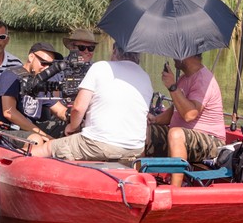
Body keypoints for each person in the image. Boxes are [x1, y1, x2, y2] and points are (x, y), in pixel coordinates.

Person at [31, 43, 152, 164]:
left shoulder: (100, 67)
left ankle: (18, 163)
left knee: (48, 147)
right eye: (81, 47)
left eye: (90, 48)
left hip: (98, 144)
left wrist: (72, 127)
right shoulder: (146, 77)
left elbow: (78, 109)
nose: (86, 51)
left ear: (114, 50)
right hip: (135, 150)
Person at [146, 52, 226, 186]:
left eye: (177, 52)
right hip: (184, 136)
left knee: (176, 134)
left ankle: (175, 191)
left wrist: (172, 86)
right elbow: (175, 110)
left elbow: (189, 114)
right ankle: (139, 182)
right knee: (145, 131)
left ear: (187, 54)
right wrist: (154, 120)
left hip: (212, 142)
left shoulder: (203, 80)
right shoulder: (184, 79)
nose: (173, 56)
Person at [0, 42, 63, 144]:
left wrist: (73, 117)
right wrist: (42, 134)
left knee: (67, 126)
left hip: (29, 129)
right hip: (3, 130)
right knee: (35, 140)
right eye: (43, 63)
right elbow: (9, 113)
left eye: (50, 65)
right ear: (31, 57)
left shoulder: (41, 81)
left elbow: (59, 110)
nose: (47, 68)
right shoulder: (11, 76)